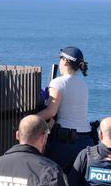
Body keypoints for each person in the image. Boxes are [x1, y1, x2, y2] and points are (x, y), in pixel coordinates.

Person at [38, 46, 93, 174]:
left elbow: (51, 112)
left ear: (65, 61)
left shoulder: (58, 82)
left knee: (52, 178)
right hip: (85, 140)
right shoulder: (83, 84)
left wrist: (30, 119)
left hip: (64, 142)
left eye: (61, 58)